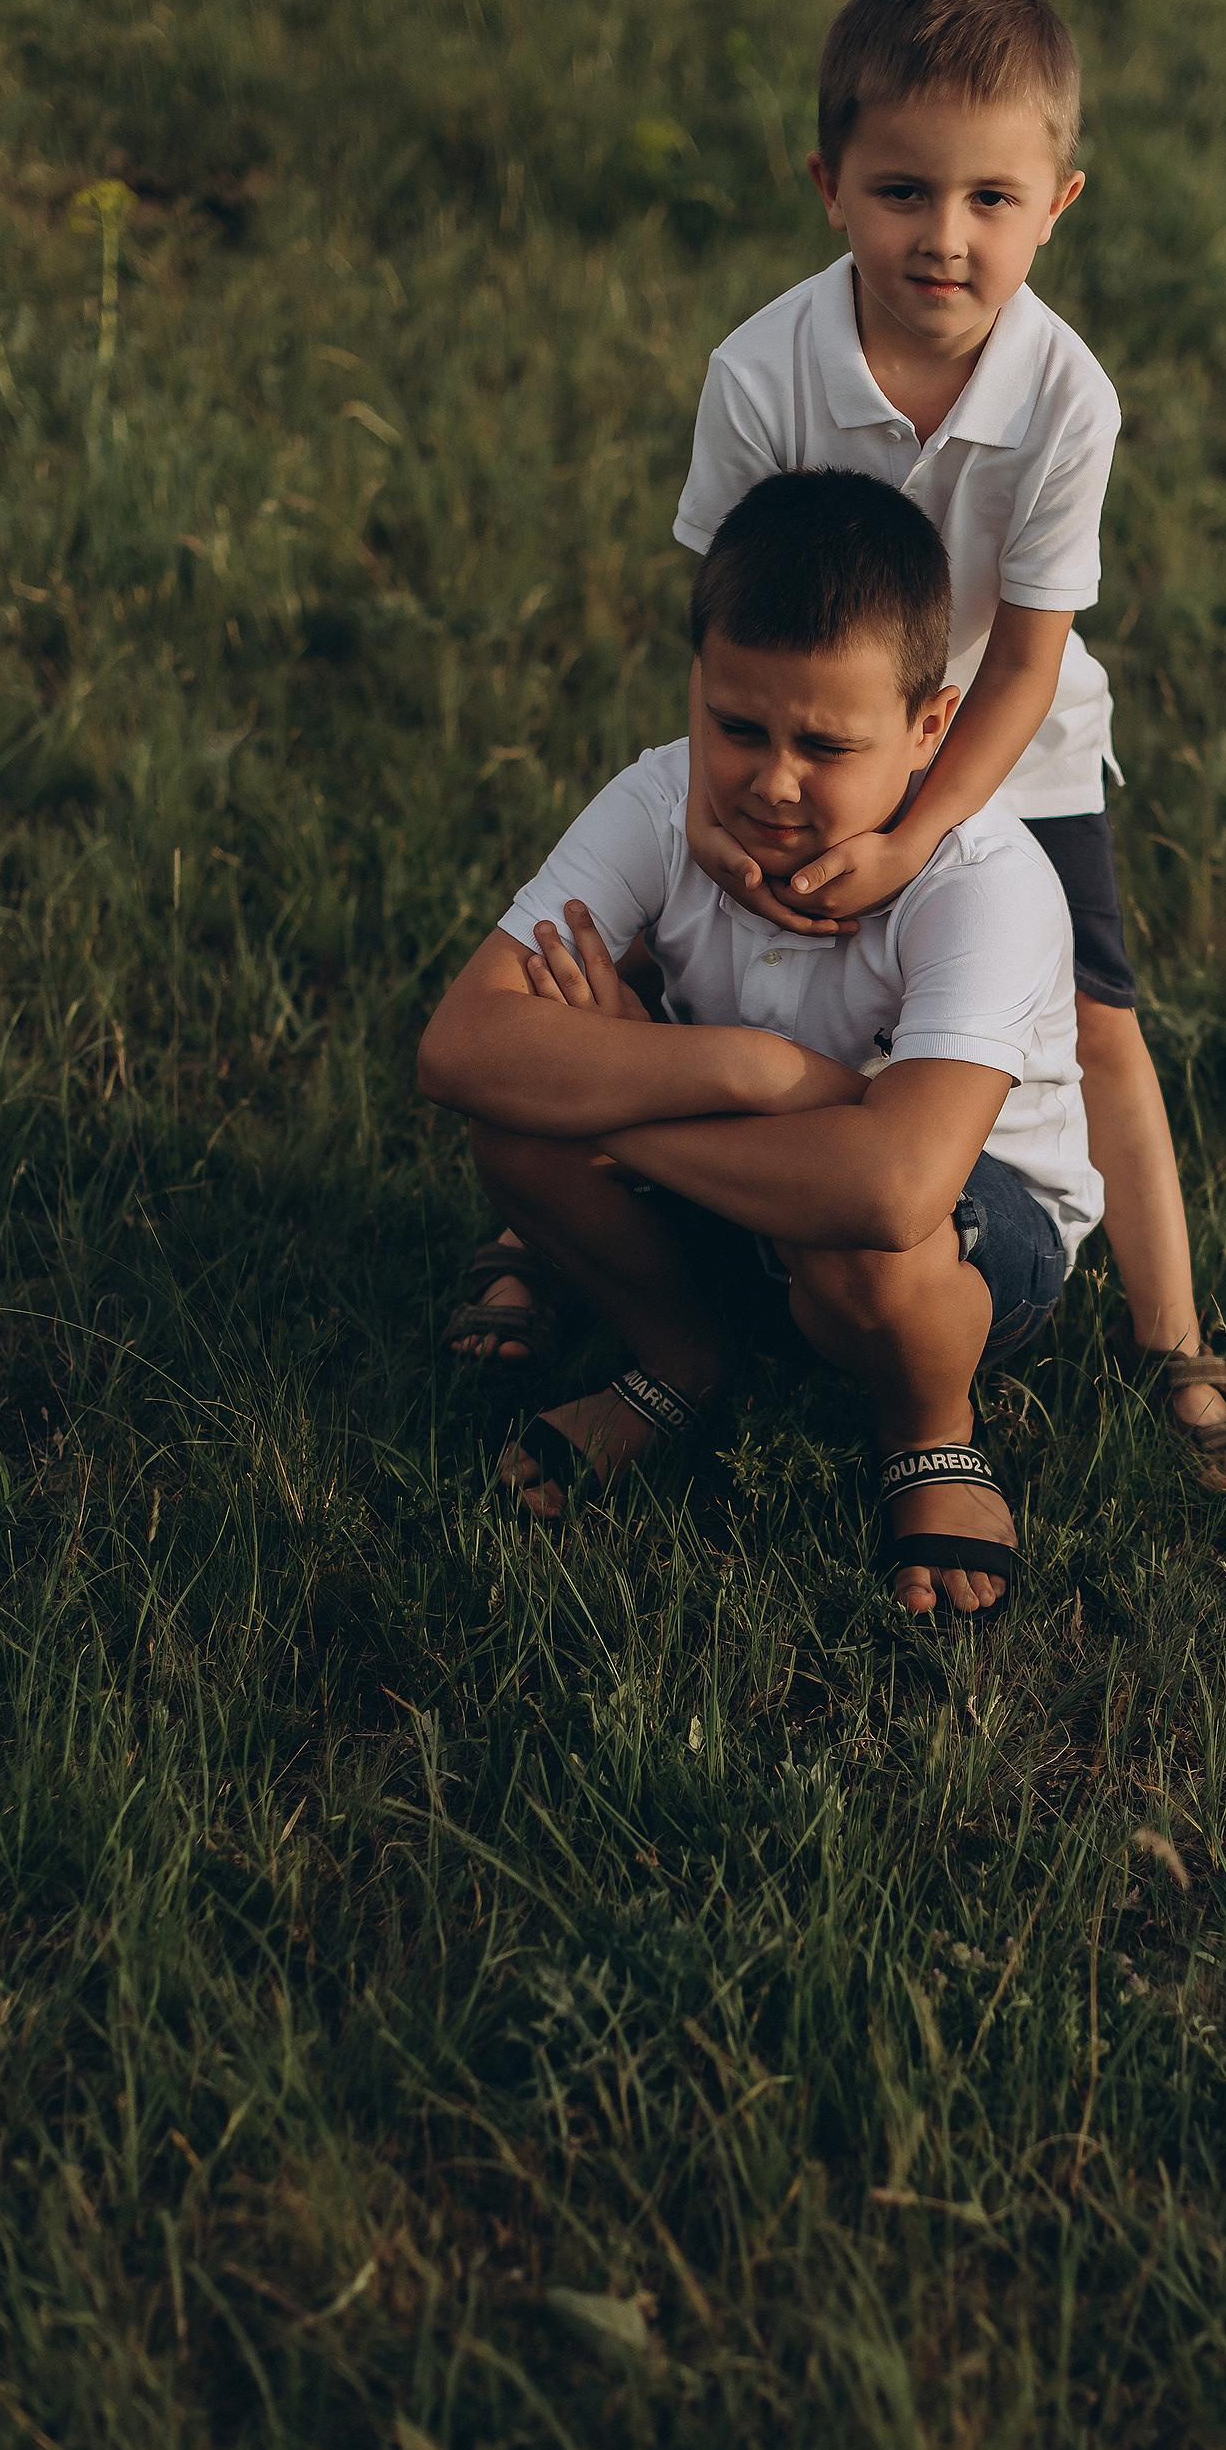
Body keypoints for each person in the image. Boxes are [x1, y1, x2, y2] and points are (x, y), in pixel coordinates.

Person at [444, 0, 1226, 1487]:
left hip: (1003, 740)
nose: (943, 240)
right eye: (900, 192)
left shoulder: (1069, 396)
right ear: (829, 186)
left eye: (990, 203)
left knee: (1087, 1023)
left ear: (1058, 203)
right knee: (642, 942)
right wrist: (715, 798)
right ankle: (545, 1213)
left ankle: (1175, 1345)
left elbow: (1024, 656)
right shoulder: (762, 370)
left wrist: (910, 836)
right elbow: (733, 623)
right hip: (800, 726)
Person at [419, 470, 1113, 1622]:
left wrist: (612, 1091)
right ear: (695, 683)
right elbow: (459, 1044)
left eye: (826, 745)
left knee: (856, 1241)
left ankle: (929, 1432)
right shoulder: (656, 801)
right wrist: (750, 1068)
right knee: (514, 1119)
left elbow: (894, 1187)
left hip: (973, 1249)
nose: (771, 780)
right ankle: (682, 1359)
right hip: (764, 1169)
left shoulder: (982, 879)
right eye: (736, 726)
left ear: (926, 727)